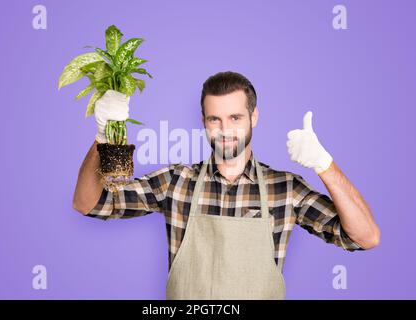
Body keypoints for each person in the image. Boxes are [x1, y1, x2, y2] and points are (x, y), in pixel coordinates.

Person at [72, 71, 380, 300]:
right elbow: (88, 203)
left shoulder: (285, 189)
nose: (225, 130)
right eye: (214, 119)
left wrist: (324, 164)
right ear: (203, 120)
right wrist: (103, 135)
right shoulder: (176, 183)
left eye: (235, 117)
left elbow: (365, 237)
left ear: (253, 117)